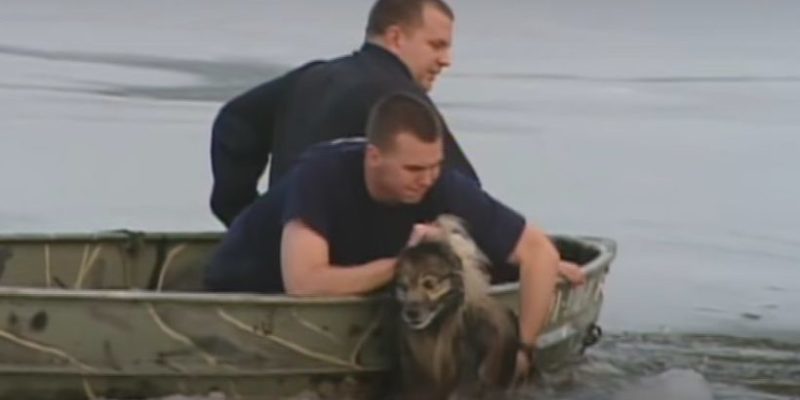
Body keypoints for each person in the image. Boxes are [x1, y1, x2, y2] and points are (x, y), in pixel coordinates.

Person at [205, 92, 562, 377]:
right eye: (413, 168)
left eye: (435, 165)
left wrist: (524, 350)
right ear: (374, 157)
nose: (426, 178)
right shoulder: (320, 175)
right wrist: (403, 263)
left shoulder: (440, 183)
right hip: (246, 291)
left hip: (349, 271)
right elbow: (304, 283)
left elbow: (539, 253)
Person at [210, 0, 478, 227]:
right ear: (396, 38)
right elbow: (466, 196)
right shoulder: (399, 100)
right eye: (436, 45)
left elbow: (235, 122)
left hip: (278, 250)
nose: (446, 60)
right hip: (346, 269)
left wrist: (245, 219)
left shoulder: (309, 77)